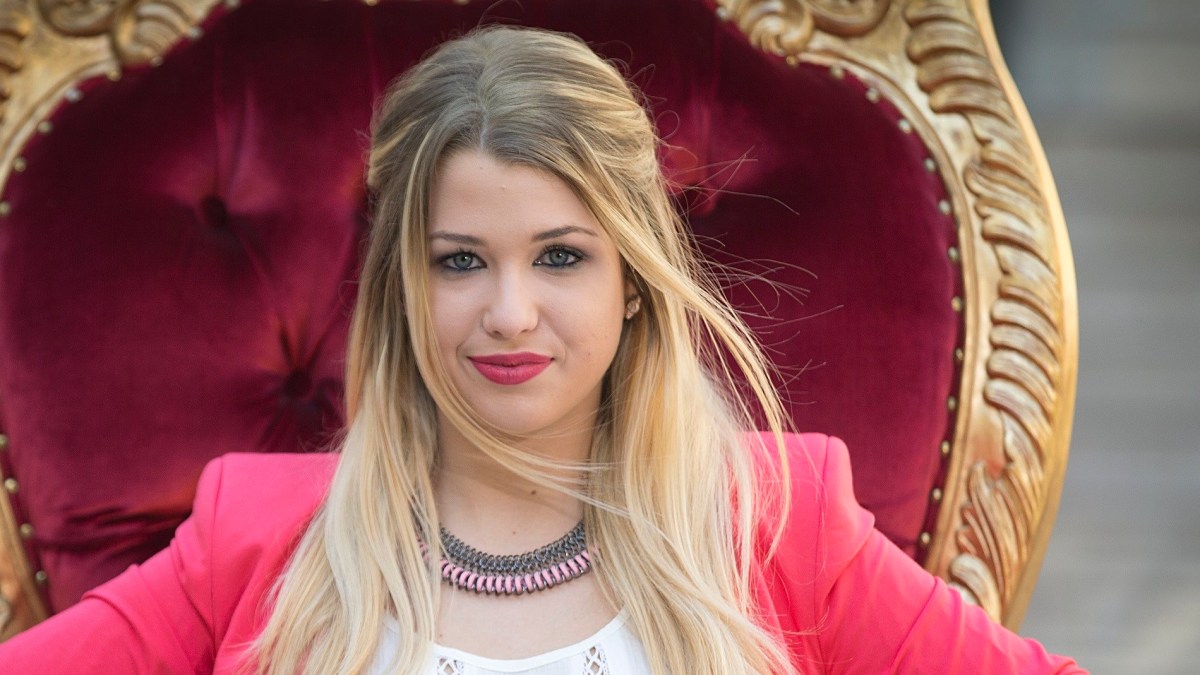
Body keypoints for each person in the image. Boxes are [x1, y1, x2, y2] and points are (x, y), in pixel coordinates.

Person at [0, 26, 1083, 674]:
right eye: (460, 262)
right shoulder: (257, 536)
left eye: (560, 258)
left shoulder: (779, 519)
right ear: (400, 291)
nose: (510, 313)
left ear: (634, 283)